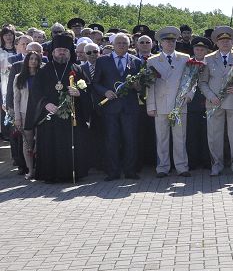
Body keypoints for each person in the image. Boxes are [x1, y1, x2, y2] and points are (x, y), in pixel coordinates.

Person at [27, 35, 91, 182]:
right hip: (50, 116)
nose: (62, 52)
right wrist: (45, 104)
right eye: (59, 50)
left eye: (65, 50)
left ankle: (71, 174)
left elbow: (88, 90)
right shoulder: (44, 70)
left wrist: (79, 93)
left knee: (70, 144)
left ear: (69, 52)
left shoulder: (77, 69)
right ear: (53, 52)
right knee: (50, 145)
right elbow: (35, 92)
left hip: (71, 117)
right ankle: (50, 175)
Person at [92, 32, 145, 180]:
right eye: (119, 43)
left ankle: (130, 171)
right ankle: (113, 172)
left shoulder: (136, 62)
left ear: (130, 45)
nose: (121, 45)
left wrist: (138, 86)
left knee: (131, 140)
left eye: (124, 43)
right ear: (113, 45)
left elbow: (141, 86)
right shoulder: (102, 61)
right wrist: (105, 92)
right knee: (112, 140)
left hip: (130, 108)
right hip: (110, 107)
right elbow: (95, 83)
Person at [201, 26, 233, 176]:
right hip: (214, 102)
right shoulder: (208, 58)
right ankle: (216, 164)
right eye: (221, 40)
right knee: (214, 135)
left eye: (228, 40)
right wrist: (211, 96)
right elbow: (202, 82)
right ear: (216, 42)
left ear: (232, 42)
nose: (225, 42)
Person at [146, 26, 192, 177]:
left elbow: (192, 79)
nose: (170, 43)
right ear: (161, 43)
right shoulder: (152, 60)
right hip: (161, 104)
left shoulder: (184, 58)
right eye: (167, 41)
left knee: (180, 138)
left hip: (179, 104)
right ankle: (162, 167)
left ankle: (182, 167)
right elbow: (149, 85)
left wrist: (189, 95)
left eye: (173, 40)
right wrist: (151, 105)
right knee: (162, 138)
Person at [12, 50, 43, 178]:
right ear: (27, 61)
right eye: (31, 59)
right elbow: (16, 99)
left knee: (41, 142)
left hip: (40, 113)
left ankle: (41, 169)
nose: (33, 61)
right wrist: (17, 117)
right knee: (27, 143)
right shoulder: (19, 77)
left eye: (36, 59)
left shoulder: (42, 75)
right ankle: (30, 170)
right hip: (25, 114)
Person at [186, 37, 212, 171]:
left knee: (208, 133)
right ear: (193, 50)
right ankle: (192, 161)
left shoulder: (211, 63)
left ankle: (207, 160)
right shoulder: (188, 63)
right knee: (192, 133)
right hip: (192, 103)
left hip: (209, 101)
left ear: (207, 51)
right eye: (197, 49)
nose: (199, 52)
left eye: (202, 49)